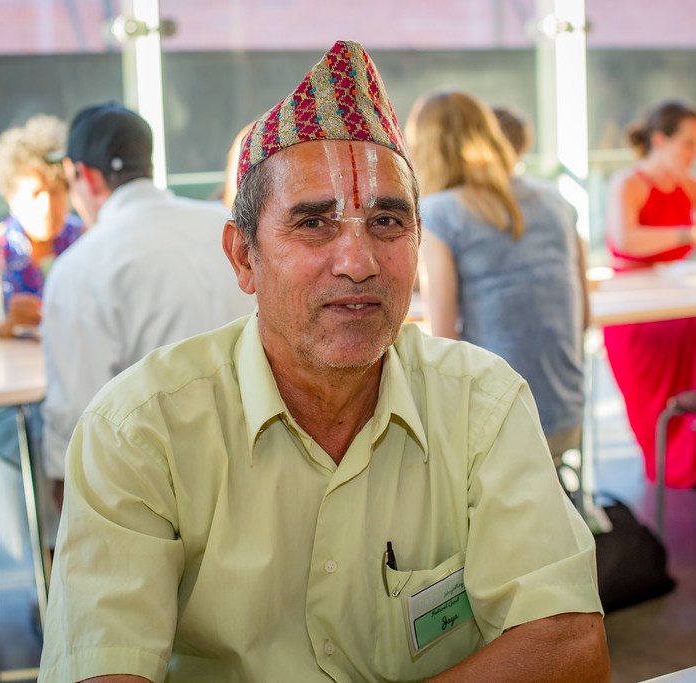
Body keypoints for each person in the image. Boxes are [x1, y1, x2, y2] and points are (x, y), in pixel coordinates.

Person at [38, 42, 608, 682]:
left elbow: (571, 646)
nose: (358, 263)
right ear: (243, 258)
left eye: (387, 221)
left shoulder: (481, 402)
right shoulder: (140, 431)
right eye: (314, 224)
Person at [39, 102, 255, 508]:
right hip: (261, 465)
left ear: (84, 175)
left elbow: (74, 419)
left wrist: (63, 494)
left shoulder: (80, 267)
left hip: (152, 491)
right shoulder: (226, 228)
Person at [407, 91, 589, 465]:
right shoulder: (556, 201)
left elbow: (443, 343)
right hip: (567, 416)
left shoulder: (439, 214)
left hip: (501, 427)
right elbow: (583, 318)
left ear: (425, 147)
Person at [604, 99, 696, 488]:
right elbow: (625, 239)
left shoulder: (688, 185)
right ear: (660, 140)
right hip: (637, 315)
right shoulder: (628, 183)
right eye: (687, 143)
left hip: (677, 305)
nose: (692, 153)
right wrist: (685, 234)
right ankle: (672, 461)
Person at [0, 114, 84, 342]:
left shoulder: (87, 240)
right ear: (11, 196)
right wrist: (7, 326)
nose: (47, 206)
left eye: (56, 192)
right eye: (36, 193)